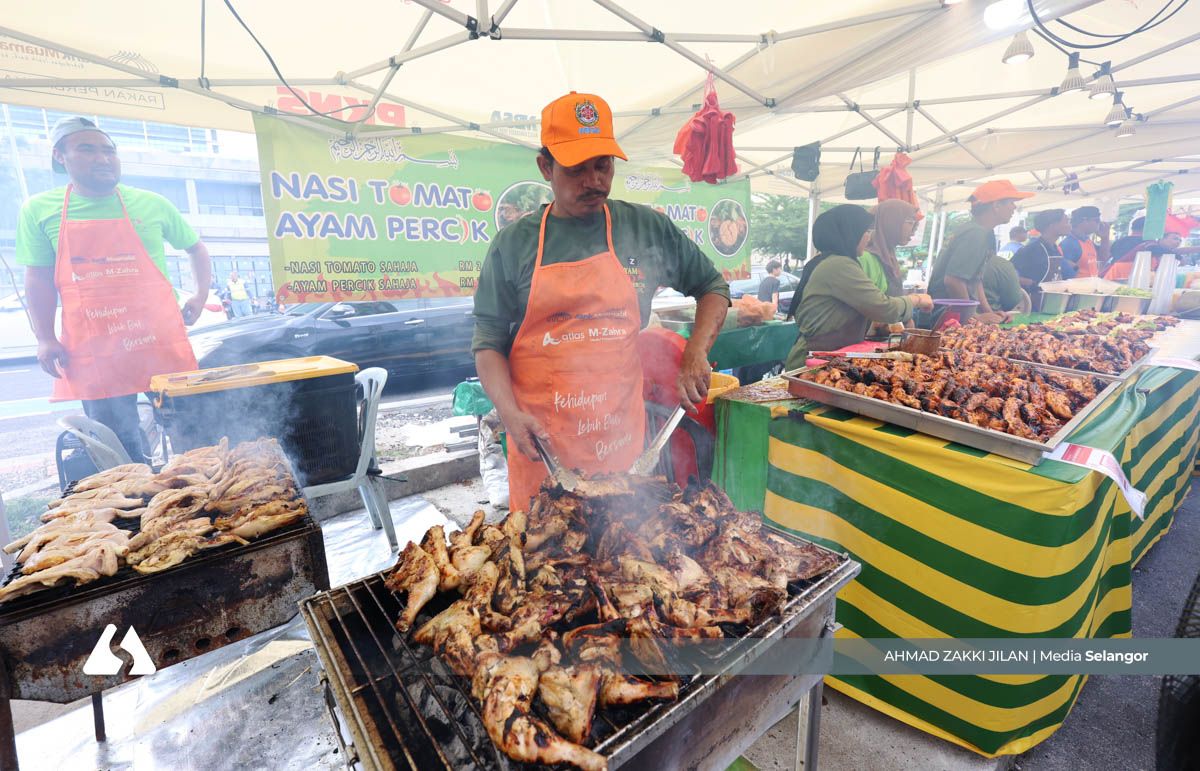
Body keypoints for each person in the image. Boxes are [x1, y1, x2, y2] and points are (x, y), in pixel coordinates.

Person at [471, 91, 730, 512]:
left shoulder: (644, 228)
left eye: (603, 165)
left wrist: (695, 353)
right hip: (542, 452)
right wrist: (508, 413)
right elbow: (487, 344)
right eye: (576, 169)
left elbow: (712, 288)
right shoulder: (514, 244)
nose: (594, 181)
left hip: (622, 448)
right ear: (545, 167)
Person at [16, 116, 209, 461]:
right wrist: (44, 337)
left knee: (190, 429)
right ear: (61, 156)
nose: (102, 158)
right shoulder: (39, 210)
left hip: (158, 346)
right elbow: (38, 278)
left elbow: (196, 248)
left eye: (109, 150)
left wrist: (200, 294)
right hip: (96, 353)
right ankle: (140, 505)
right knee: (120, 446)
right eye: (87, 149)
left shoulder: (151, 203)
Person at [783, 205, 933, 370]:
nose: (869, 238)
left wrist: (872, 326)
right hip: (812, 361)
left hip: (826, 357)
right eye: (866, 232)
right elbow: (884, 307)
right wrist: (916, 299)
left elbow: (836, 313)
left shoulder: (829, 260)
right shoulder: (839, 264)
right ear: (850, 233)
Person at [927, 180, 1033, 325]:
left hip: (954, 315)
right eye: (1011, 202)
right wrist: (973, 318)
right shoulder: (975, 233)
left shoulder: (984, 233)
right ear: (996, 206)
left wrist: (988, 312)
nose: (1014, 207)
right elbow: (953, 281)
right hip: (945, 318)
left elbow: (977, 279)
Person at [1011, 209, 1070, 308]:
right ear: (1052, 225)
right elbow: (1006, 272)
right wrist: (1026, 281)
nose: (1069, 225)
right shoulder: (1032, 249)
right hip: (1033, 305)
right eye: (1066, 221)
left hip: (1053, 303)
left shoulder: (1055, 248)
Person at [861, 199, 918, 298]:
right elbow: (870, 303)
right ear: (891, 222)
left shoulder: (888, 254)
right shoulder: (865, 257)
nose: (913, 232)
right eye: (910, 222)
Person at [1058, 206, 1109, 279]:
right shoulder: (1069, 244)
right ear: (1084, 221)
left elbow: (1102, 260)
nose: (1099, 224)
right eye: (1097, 220)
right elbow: (1062, 272)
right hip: (1076, 289)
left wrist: (1105, 238)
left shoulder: (1087, 241)